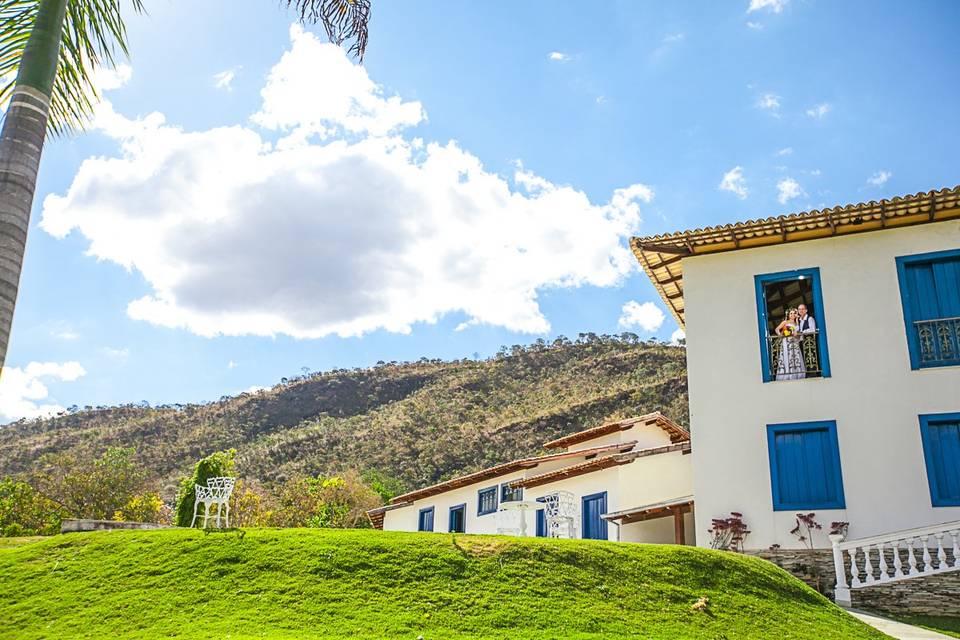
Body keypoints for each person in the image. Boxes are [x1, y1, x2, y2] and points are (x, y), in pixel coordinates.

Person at [774, 308, 805, 381]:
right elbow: (777, 329)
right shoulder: (785, 322)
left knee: (794, 356)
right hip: (786, 341)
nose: (792, 315)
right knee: (787, 356)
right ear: (788, 315)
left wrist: (796, 333)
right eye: (791, 313)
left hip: (794, 342)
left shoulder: (797, 323)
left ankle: (796, 373)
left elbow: (798, 332)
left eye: (794, 313)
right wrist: (781, 335)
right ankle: (787, 374)